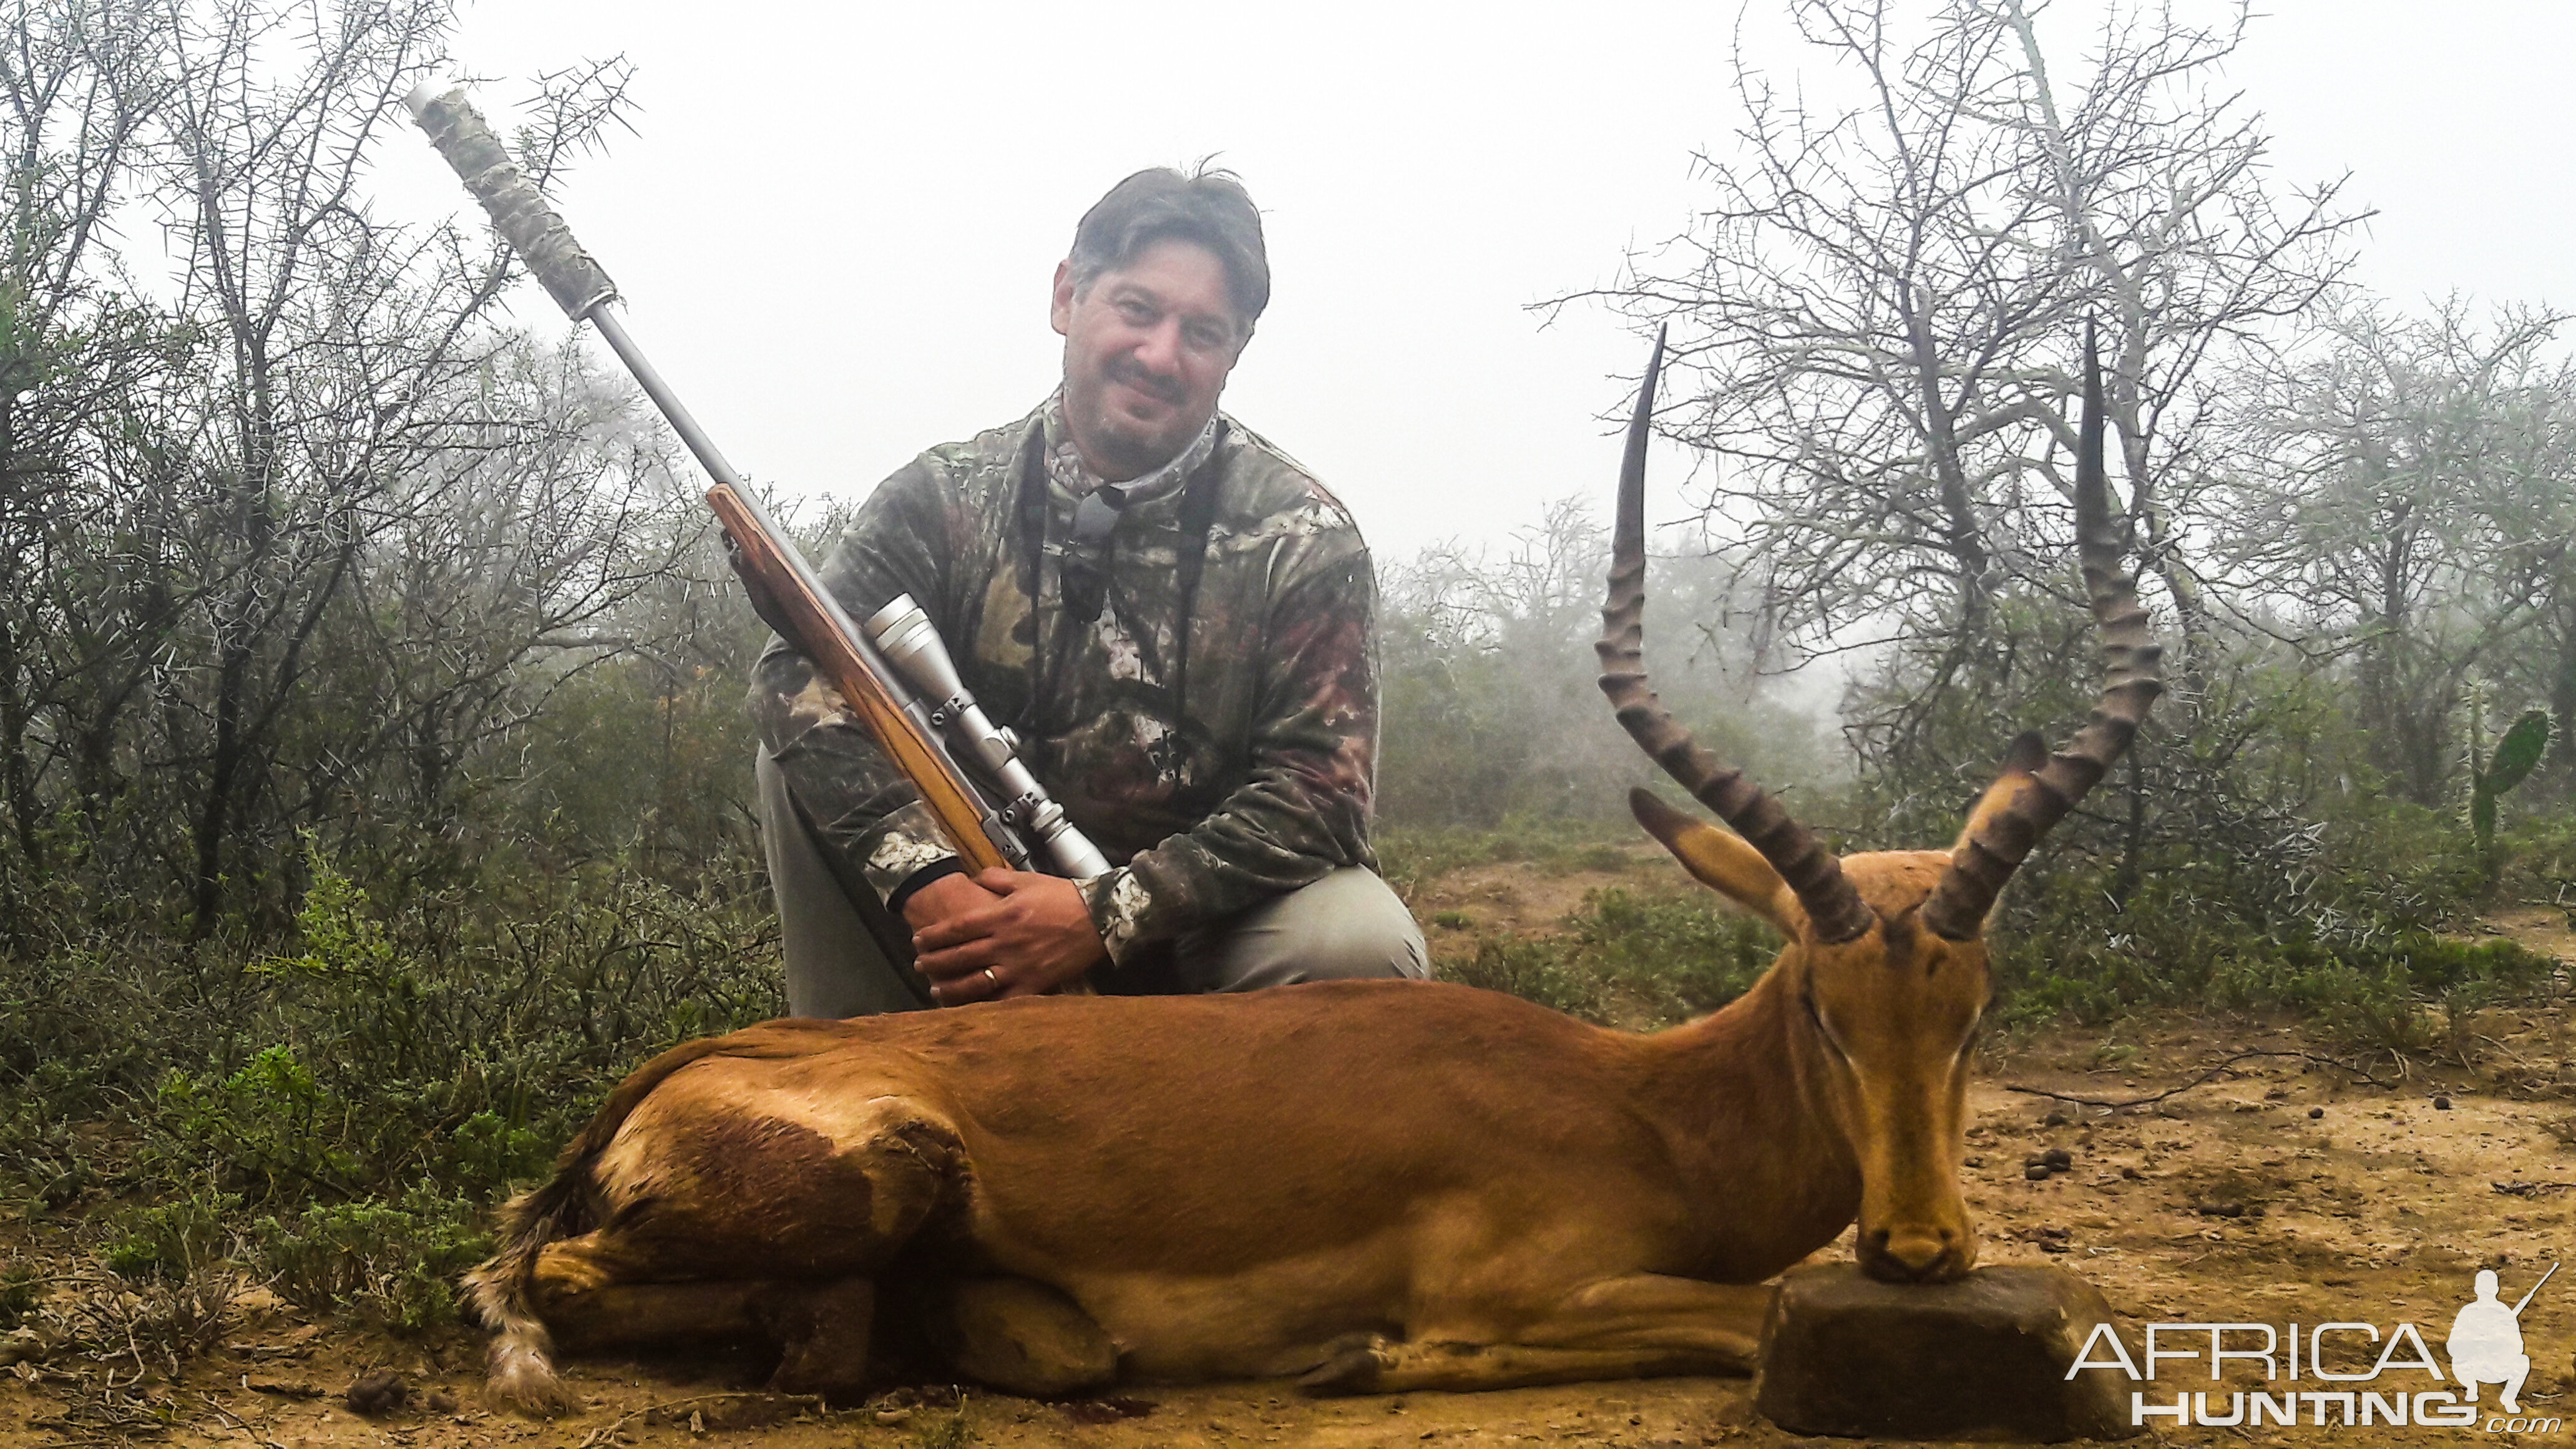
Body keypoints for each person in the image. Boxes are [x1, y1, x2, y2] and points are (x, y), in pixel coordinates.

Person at [749, 166, 1428, 1018]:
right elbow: (794, 678)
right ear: (1068, 295)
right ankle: (865, 1092)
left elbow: (1323, 798)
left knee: (1358, 942)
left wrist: (1104, 916)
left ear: (1235, 353)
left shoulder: (1305, 537)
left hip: (1196, 934)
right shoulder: (939, 495)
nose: (1160, 356)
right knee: (799, 756)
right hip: (972, 902)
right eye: (1138, 310)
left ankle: (1241, 1141)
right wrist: (926, 879)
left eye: (1202, 332)